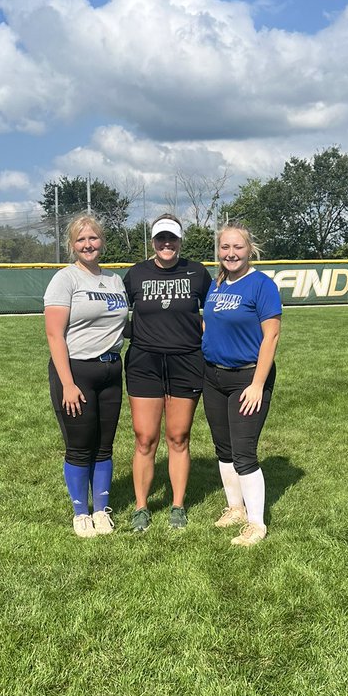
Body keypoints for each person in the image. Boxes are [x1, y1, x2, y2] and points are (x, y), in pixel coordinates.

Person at [122, 214, 212, 532]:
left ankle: (177, 505)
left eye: (171, 238)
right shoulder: (135, 275)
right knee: (145, 438)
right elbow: (115, 316)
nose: (166, 244)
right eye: (161, 238)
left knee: (178, 437)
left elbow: (214, 312)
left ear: (179, 241)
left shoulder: (198, 273)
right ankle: (141, 507)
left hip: (186, 362)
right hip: (144, 362)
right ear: (153, 241)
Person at [43, 215, 128, 537]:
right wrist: (67, 383)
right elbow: (54, 334)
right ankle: (81, 513)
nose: (88, 245)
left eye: (93, 238)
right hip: (77, 370)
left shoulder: (115, 280)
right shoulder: (65, 279)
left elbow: (119, 325)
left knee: (104, 446)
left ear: (102, 241)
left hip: (111, 371)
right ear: (72, 245)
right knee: (80, 446)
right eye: (81, 240)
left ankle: (101, 510)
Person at [201, 225, 282, 546]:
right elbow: (208, 322)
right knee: (224, 449)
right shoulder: (216, 283)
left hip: (247, 378)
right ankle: (235, 507)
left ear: (249, 249)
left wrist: (257, 384)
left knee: (244, 452)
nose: (230, 253)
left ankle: (256, 524)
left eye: (237, 247)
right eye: (224, 247)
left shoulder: (262, 285)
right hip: (214, 376)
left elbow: (271, 335)